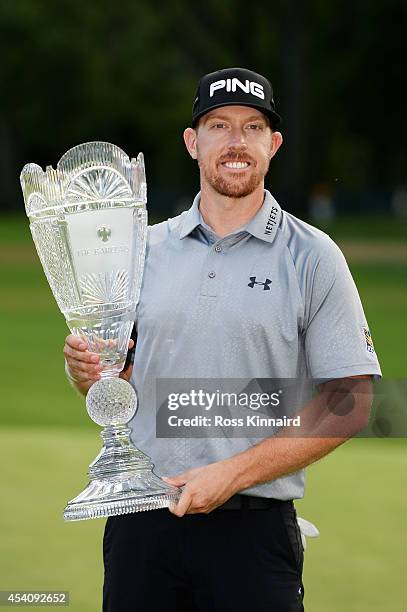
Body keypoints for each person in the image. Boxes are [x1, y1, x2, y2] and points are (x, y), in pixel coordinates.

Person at [63, 67, 381, 611]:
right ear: (193, 142)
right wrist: (91, 375)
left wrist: (230, 475)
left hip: (252, 537)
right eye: (218, 125)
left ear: (273, 144)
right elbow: (125, 375)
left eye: (252, 126)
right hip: (141, 527)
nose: (236, 142)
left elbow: (354, 399)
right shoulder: (140, 249)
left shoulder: (313, 255)